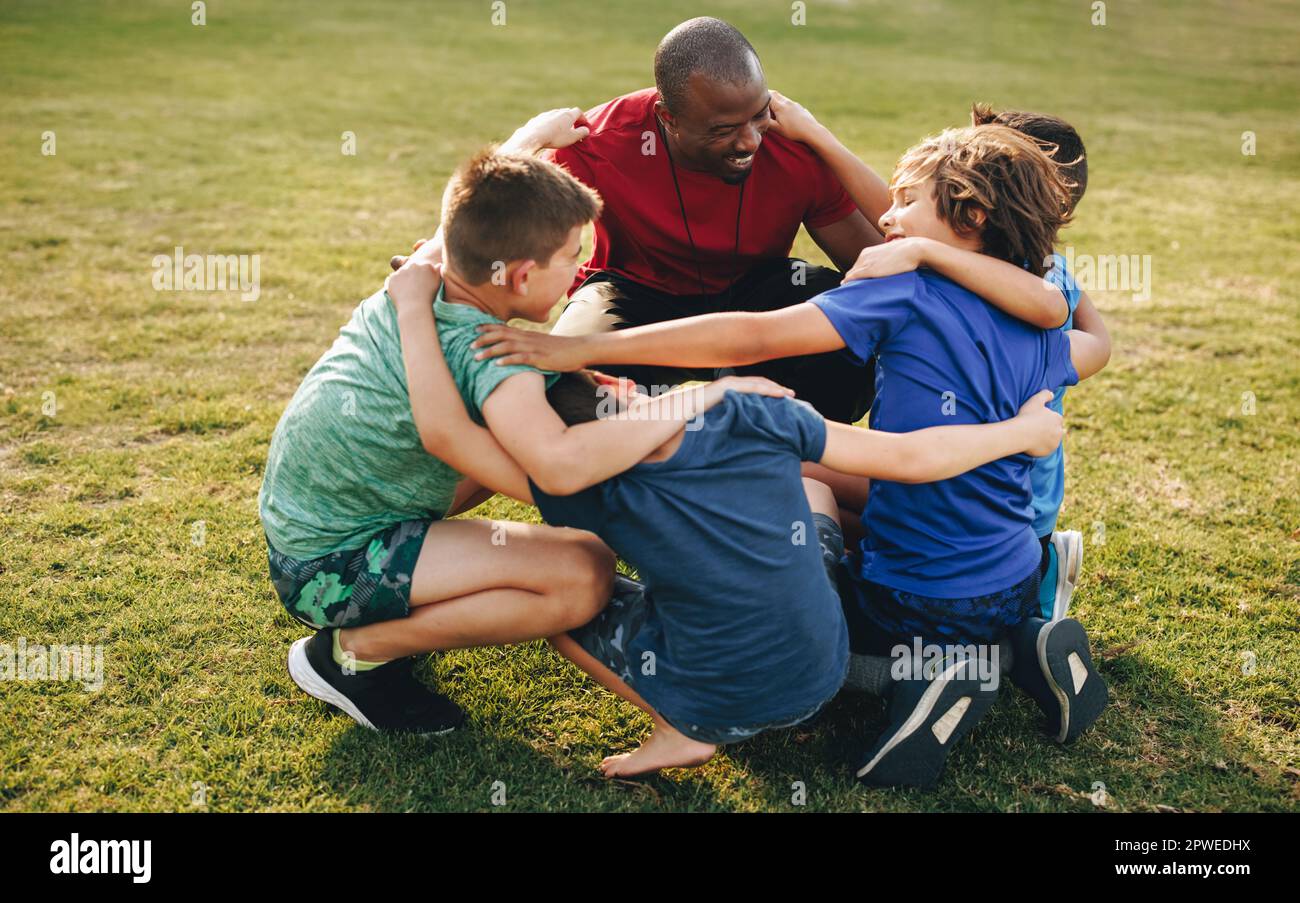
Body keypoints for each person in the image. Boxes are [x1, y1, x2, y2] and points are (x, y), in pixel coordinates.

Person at [472, 125, 1111, 786]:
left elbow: (752, 333)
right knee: (835, 493)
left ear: (972, 216)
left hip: (916, 596)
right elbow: (1090, 345)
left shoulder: (905, 291)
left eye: (906, 200)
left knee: (820, 613)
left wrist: (581, 349)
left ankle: (926, 674)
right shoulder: (1043, 324)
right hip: (1007, 574)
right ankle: (1024, 640)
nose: (886, 216)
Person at [534, 371, 1063, 776]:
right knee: (816, 492)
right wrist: (1022, 431)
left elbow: (461, 446)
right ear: (614, 382)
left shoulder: (576, 487)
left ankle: (678, 729)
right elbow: (910, 456)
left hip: (724, 705)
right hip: (819, 667)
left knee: (559, 605)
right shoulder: (749, 411)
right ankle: (971, 643)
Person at [537, 17, 891, 422]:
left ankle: (782, 456)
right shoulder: (600, 142)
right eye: (723, 130)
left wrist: (824, 141)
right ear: (667, 118)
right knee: (564, 384)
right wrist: (531, 140)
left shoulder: (794, 145)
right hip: (633, 292)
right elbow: (495, 225)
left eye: (759, 115)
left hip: (756, 296)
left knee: (840, 328)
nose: (749, 141)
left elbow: (878, 267)